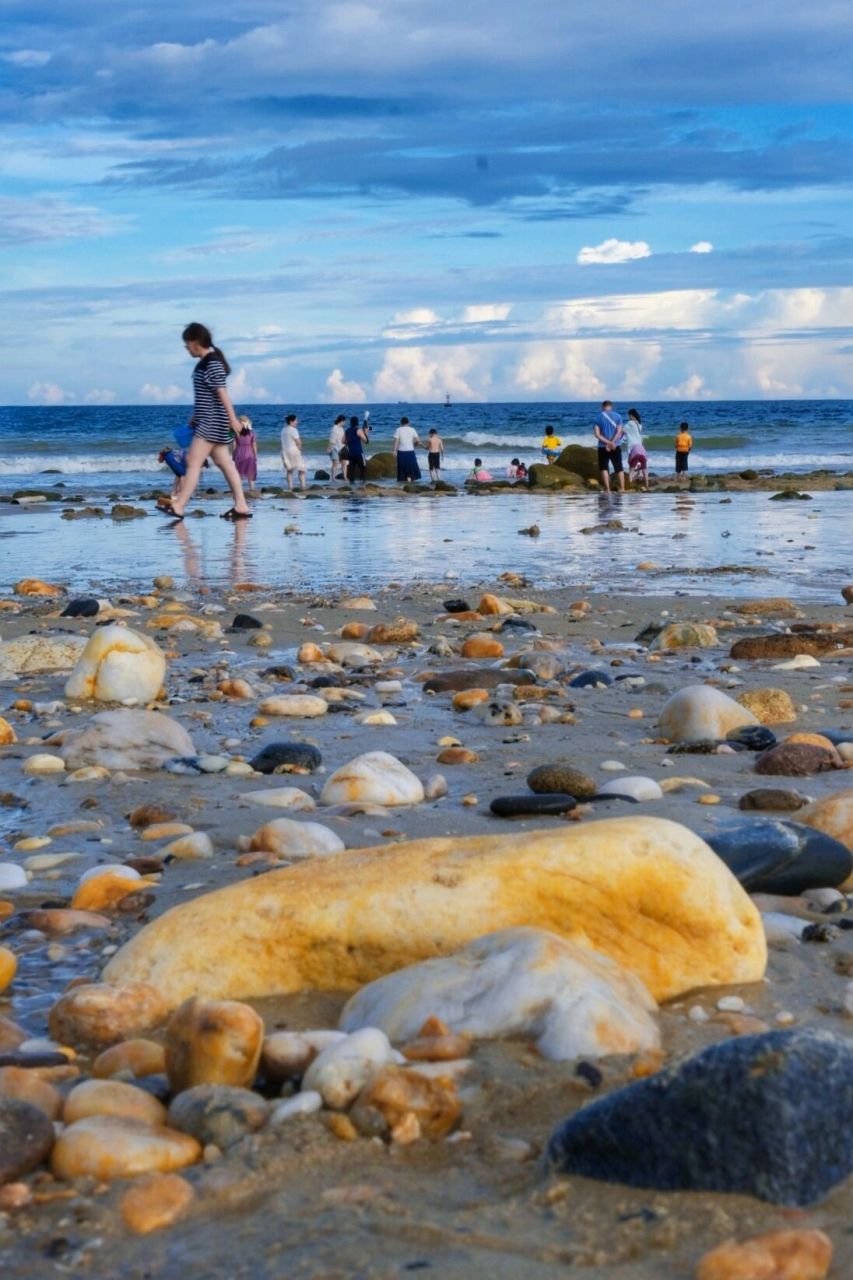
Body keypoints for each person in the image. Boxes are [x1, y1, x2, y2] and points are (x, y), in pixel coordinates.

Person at [162, 323, 251, 521]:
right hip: (210, 421)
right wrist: (195, 416)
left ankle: (179, 505)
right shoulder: (205, 362)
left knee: (192, 461)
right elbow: (207, 396)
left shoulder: (212, 363)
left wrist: (233, 419)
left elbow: (222, 393)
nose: (186, 348)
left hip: (212, 423)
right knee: (224, 462)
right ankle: (241, 505)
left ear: (196, 342)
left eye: (187, 343)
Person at [593, 399, 626, 493]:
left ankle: (607, 489)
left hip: (602, 446)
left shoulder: (597, 418)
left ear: (602, 407)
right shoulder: (618, 416)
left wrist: (607, 443)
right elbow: (619, 431)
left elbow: (597, 434)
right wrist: (612, 443)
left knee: (604, 468)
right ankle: (622, 488)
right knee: (619, 467)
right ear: (611, 406)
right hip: (616, 445)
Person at [232, 414, 258, 494]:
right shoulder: (252, 433)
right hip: (249, 453)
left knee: (239, 473)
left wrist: (233, 455)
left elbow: (234, 445)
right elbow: (254, 445)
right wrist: (255, 455)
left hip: (239, 453)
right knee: (250, 472)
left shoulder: (236, 433)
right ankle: (252, 489)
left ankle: (239, 490)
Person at [280, 413, 307, 492]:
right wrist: (300, 450)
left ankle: (290, 487)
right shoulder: (293, 430)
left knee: (289, 470)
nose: (297, 422)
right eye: (296, 420)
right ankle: (303, 486)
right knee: (302, 469)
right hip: (293, 451)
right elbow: (298, 442)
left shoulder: (283, 430)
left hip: (284, 451)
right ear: (291, 421)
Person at [625, 408, 649, 491]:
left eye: (629, 415)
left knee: (631, 468)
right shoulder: (639, 424)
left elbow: (622, 430)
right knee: (644, 468)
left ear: (631, 415)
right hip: (641, 447)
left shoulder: (630, 423)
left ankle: (630, 484)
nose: (628, 417)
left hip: (633, 447)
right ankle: (647, 484)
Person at [393, 416, 422, 482]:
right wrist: (414, 445)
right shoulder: (412, 429)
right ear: (408, 422)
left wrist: (394, 451)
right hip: (410, 451)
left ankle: (404, 483)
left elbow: (396, 441)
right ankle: (409, 481)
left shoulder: (398, 430)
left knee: (402, 468)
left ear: (401, 423)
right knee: (410, 468)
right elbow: (418, 441)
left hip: (401, 452)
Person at [345, 414, 367, 484]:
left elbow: (343, 441)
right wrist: (366, 433)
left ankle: (352, 483)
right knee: (363, 467)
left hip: (351, 453)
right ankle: (362, 482)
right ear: (357, 423)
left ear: (351, 423)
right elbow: (366, 441)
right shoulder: (358, 430)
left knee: (352, 469)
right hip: (359, 453)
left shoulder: (347, 431)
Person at [328, 414, 346, 481]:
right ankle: (333, 478)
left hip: (342, 447)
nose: (345, 423)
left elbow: (343, 438)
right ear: (341, 421)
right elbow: (332, 440)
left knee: (344, 462)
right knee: (335, 463)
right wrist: (329, 448)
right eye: (344, 421)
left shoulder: (342, 428)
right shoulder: (334, 428)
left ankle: (345, 477)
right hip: (334, 448)